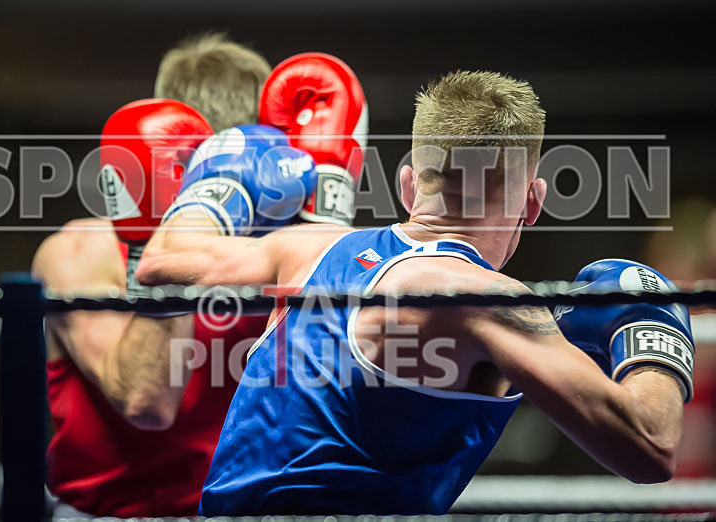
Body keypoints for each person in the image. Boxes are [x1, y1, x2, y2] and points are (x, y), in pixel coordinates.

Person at [136, 70, 694, 515]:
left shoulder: (309, 249)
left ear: (408, 185)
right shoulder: (488, 302)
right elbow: (649, 446)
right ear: (532, 202)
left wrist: (221, 185)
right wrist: (652, 328)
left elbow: (162, 263)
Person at [31, 34, 273, 517]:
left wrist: (325, 220)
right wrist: (168, 235)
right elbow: (147, 402)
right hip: (115, 515)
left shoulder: (279, 248)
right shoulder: (81, 252)